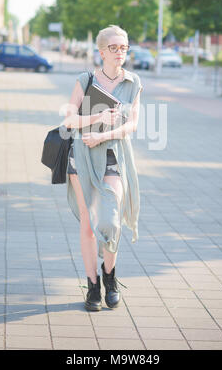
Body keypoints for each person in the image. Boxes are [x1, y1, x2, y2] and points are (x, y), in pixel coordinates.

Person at [63, 25, 143, 311]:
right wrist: (95, 118)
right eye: (114, 48)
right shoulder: (85, 79)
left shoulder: (133, 82)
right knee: (87, 224)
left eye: (124, 47)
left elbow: (132, 125)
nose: (120, 52)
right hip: (82, 156)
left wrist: (104, 134)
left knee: (110, 221)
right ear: (101, 52)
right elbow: (69, 120)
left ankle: (110, 276)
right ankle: (93, 286)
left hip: (113, 156)